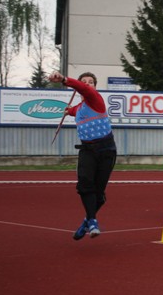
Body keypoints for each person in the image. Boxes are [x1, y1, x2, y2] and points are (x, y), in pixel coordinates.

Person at [48, 70, 117, 240]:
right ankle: (92, 221)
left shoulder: (95, 98)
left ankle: (87, 220)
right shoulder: (78, 108)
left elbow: (85, 91)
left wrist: (64, 80)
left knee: (99, 195)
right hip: (87, 150)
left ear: (94, 86)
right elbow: (74, 110)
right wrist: (68, 111)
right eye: (84, 81)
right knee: (85, 185)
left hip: (106, 150)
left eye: (91, 82)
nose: (87, 84)